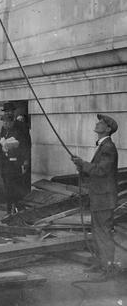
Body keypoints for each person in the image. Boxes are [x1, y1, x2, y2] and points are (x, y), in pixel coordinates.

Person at [71, 114, 119, 278]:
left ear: (107, 129)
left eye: (102, 123)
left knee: (103, 233)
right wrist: (82, 165)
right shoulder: (103, 146)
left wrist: (83, 164)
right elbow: (97, 169)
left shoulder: (108, 147)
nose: (98, 123)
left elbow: (101, 170)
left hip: (104, 198)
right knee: (97, 232)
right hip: (100, 197)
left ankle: (107, 268)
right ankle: (100, 264)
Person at [0, 112, 28, 214]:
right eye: (4, 122)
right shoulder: (4, 131)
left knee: (14, 186)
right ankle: (9, 208)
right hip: (5, 163)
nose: (5, 124)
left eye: (7, 122)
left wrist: (24, 161)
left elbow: (23, 147)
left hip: (14, 163)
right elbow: (0, 147)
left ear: (11, 122)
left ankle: (15, 208)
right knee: (7, 186)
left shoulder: (18, 132)